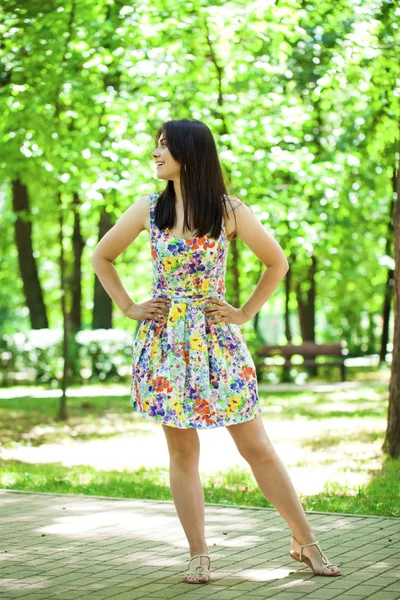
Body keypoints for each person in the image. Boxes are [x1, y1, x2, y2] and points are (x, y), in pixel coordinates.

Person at [90, 118, 341, 584]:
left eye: (164, 147)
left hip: (218, 343)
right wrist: (128, 306)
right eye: (155, 146)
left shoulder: (228, 210)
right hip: (165, 345)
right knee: (183, 453)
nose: (155, 154)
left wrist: (244, 312)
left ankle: (305, 540)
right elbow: (101, 256)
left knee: (257, 447)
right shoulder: (147, 209)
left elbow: (277, 262)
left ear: (190, 152)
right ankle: (199, 554)